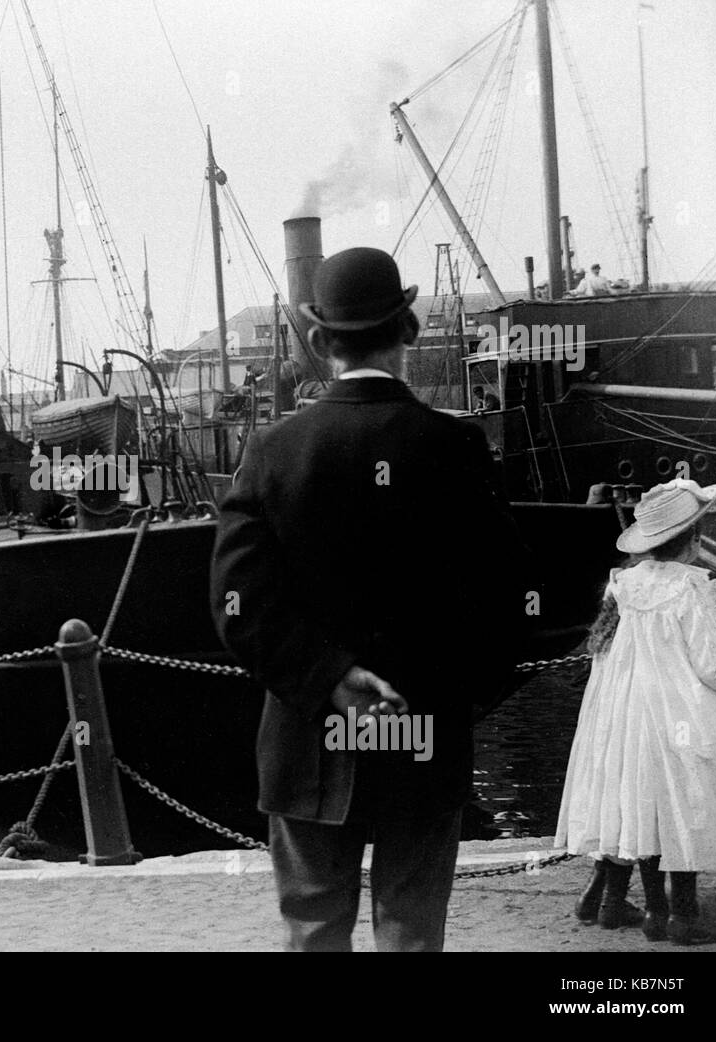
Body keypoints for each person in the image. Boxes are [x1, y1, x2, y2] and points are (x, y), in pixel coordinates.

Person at [210, 247, 532, 952]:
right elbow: (506, 605)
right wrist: (443, 697)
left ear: (320, 341)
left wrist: (330, 679)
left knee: (315, 930)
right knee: (412, 932)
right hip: (425, 741)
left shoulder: (272, 452)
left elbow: (239, 606)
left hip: (307, 741)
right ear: (410, 331)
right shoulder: (458, 449)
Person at [556, 478, 716, 945]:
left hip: (625, 712)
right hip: (674, 710)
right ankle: (684, 915)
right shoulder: (690, 588)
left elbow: (604, 654)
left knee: (643, 808)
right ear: (693, 541)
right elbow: (712, 665)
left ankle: (655, 911)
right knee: (686, 802)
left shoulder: (622, 585)